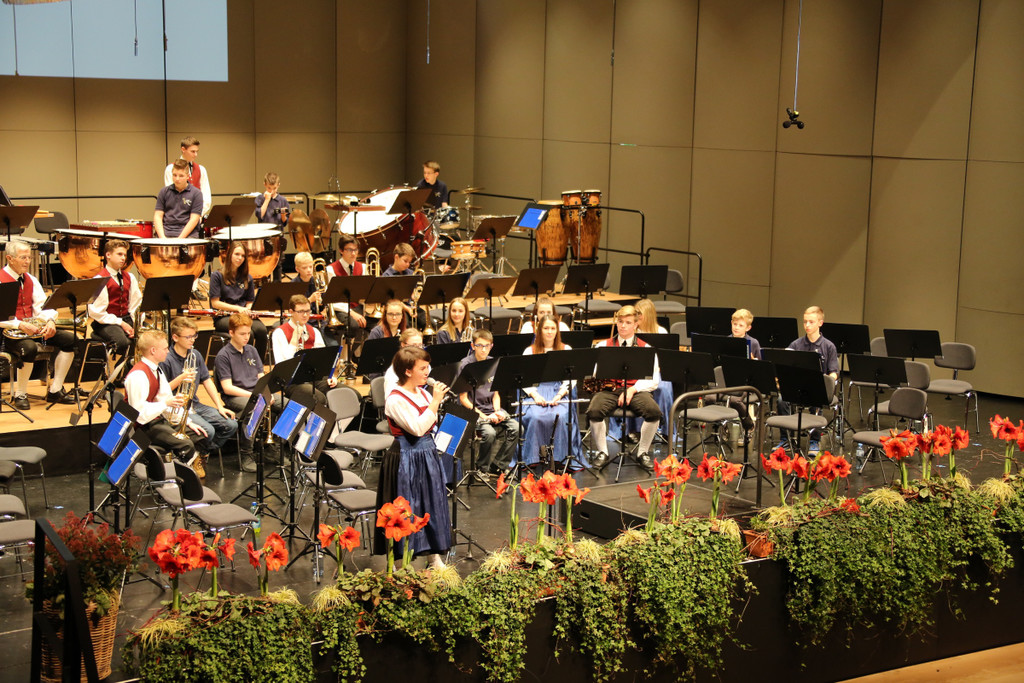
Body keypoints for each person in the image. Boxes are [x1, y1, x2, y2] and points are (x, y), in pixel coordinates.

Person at [379, 346, 452, 568]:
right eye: (422, 368)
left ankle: (434, 556)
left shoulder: (423, 393)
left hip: (427, 453)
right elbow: (418, 428)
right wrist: (436, 402)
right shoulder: (395, 399)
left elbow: (431, 423)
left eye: (428, 367)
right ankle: (399, 561)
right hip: (406, 457)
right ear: (408, 371)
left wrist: (434, 402)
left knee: (431, 502)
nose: (427, 372)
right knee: (406, 506)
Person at [0, 240, 79, 408]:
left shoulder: (31, 280)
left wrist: (49, 321)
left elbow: (44, 306)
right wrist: (20, 325)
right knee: (29, 348)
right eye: (23, 257)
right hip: (8, 333)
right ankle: (20, 393)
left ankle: (55, 390)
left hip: (33, 330)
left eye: (29, 257)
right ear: (10, 258)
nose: (27, 261)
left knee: (71, 340)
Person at [160, 317, 238, 476]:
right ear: (175, 337)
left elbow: (207, 380)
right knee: (208, 431)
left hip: (194, 404)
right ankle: (196, 455)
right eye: (188, 337)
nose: (192, 340)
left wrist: (219, 406)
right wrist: (181, 378)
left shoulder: (195, 354)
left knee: (231, 424)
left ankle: (200, 453)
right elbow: (162, 390)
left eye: (194, 336)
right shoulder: (166, 359)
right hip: (177, 407)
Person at [586, 305, 661, 471]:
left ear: (636, 324)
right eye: (620, 322)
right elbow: (594, 373)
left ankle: (642, 452)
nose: (623, 326)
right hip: (610, 390)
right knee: (594, 411)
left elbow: (654, 380)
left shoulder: (646, 349)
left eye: (628, 322)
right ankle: (603, 452)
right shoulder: (603, 346)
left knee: (654, 412)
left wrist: (632, 390)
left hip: (636, 389)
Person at [124, 328, 206, 466]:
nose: (168, 351)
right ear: (153, 350)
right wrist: (166, 403)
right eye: (165, 348)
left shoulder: (157, 370)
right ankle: (177, 472)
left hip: (156, 419)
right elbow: (139, 413)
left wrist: (187, 422)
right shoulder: (138, 375)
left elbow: (165, 398)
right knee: (186, 445)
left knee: (200, 435)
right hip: (143, 426)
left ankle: (186, 465)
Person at [520, 315, 583, 469]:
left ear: (557, 331)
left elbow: (571, 378)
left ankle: (560, 458)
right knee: (535, 416)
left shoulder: (566, 349)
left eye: (553, 328)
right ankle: (532, 457)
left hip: (558, 391)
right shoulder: (529, 350)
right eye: (546, 328)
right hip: (536, 391)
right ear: (540, 330)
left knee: (560, 416)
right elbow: (524, 378)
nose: (549, 332)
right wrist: (535, 396)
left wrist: (560, 395)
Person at [776, 305, 839, 454]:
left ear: (820, 323)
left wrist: (827, 384)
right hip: (798, 388)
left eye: (811, 322)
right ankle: (786, 439)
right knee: (781, 400)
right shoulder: (796, 344)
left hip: (817, 389)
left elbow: (833, 372)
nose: (807, 325)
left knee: (817, 403)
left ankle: (814, 440)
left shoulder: (829, 346)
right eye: (805, 322)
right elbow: (784, 367)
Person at [458, 329, 520, 475]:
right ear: (473, 346)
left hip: (491, 409)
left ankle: (498, 465)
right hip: (473, 411)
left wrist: (497, 411)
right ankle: (482, 468)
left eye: (487, 346)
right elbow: (463, 399)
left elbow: (495, 394)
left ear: (491, 346)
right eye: (479, 345)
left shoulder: (494, 363)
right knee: (489, 433)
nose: (483, 349)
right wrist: (485, 417)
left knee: (517, 428)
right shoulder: (465, 365)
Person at [214, 312, 269, 472]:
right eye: (242, 334)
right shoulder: (223, 356)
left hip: (256, 393)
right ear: (231, 333)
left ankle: (273, 447)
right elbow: (227, 388)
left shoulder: (251, 350)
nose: (246, 337)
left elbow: (261, 377)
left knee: (285, 404)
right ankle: (246, 453)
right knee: (255, 407)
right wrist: (256, 396)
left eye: (248, 333)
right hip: (235, 397)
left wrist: (266, 393)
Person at [270, 294, 337, 400]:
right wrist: (293, 340)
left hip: (313, 378)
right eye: (301, 311)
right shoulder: (279, 333)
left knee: (342, 393)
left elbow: (322, 360)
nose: (305, 315)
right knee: (319, 398)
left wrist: (330, 376)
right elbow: (283, 365)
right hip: (291, 381)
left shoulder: (314, 331)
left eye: (308, 311)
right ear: (291, 312)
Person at [210, 241, 268, 358]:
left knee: (262, 331)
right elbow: (215, 303)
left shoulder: (247, 277)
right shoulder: (217, 276)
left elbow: (250, 301)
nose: (240, 258)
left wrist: (249, 310)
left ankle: (258, 365)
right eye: (237, 254)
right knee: (248, 334)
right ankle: (244, 365)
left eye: (243, 256)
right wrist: (238, 309)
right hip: (224, 317)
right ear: (230, 254)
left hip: (243, 315)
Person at [87, 238, 142, 361]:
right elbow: (97, 312)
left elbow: (135, 304)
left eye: (125, 255)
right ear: (108, 255)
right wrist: (121, 323)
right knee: (123, 343)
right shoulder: (100, 279)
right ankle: (119, 371)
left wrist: (136, 325)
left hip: (126, 318)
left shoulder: (130, 277)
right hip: (106, 322)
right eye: (119, 254)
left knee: (146, 339)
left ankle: (130, 368)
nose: (123, 258)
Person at [325, 233, 368, 329]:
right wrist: (352, 313)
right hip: (340, 309)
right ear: (341, 250)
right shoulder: (331, 270)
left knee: (377, 324)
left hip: (358, 307)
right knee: (354, 326)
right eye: (349, 250)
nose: (353, 253)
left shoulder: (363, 267)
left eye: (355, 250)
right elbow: (331, 299)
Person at [163, 135, 211, 219]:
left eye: (197, 151)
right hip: (177, 217)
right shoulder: (170, 169)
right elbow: (171, 195)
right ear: (183, 149)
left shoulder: (201, 169)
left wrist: (198, 214)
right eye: (192, 151)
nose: (195, 154)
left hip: (196, 217)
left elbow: (206, 196)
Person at [155, 159, 204, 238]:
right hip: (166, 234)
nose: (177, 179)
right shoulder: (164, 192)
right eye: (174, 175)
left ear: (187, 176)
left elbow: (194, 219)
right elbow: (158, 216)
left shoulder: (196, 193)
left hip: (188, 236)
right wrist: (162, 238)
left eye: (181, 176)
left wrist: (179, 239)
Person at [383, 328, 424, 397]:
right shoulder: (393, 372)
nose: (418, 349)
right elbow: (391, 399)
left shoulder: (425, 366)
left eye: (420, 345)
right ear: (403, 345)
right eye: (413, 345)